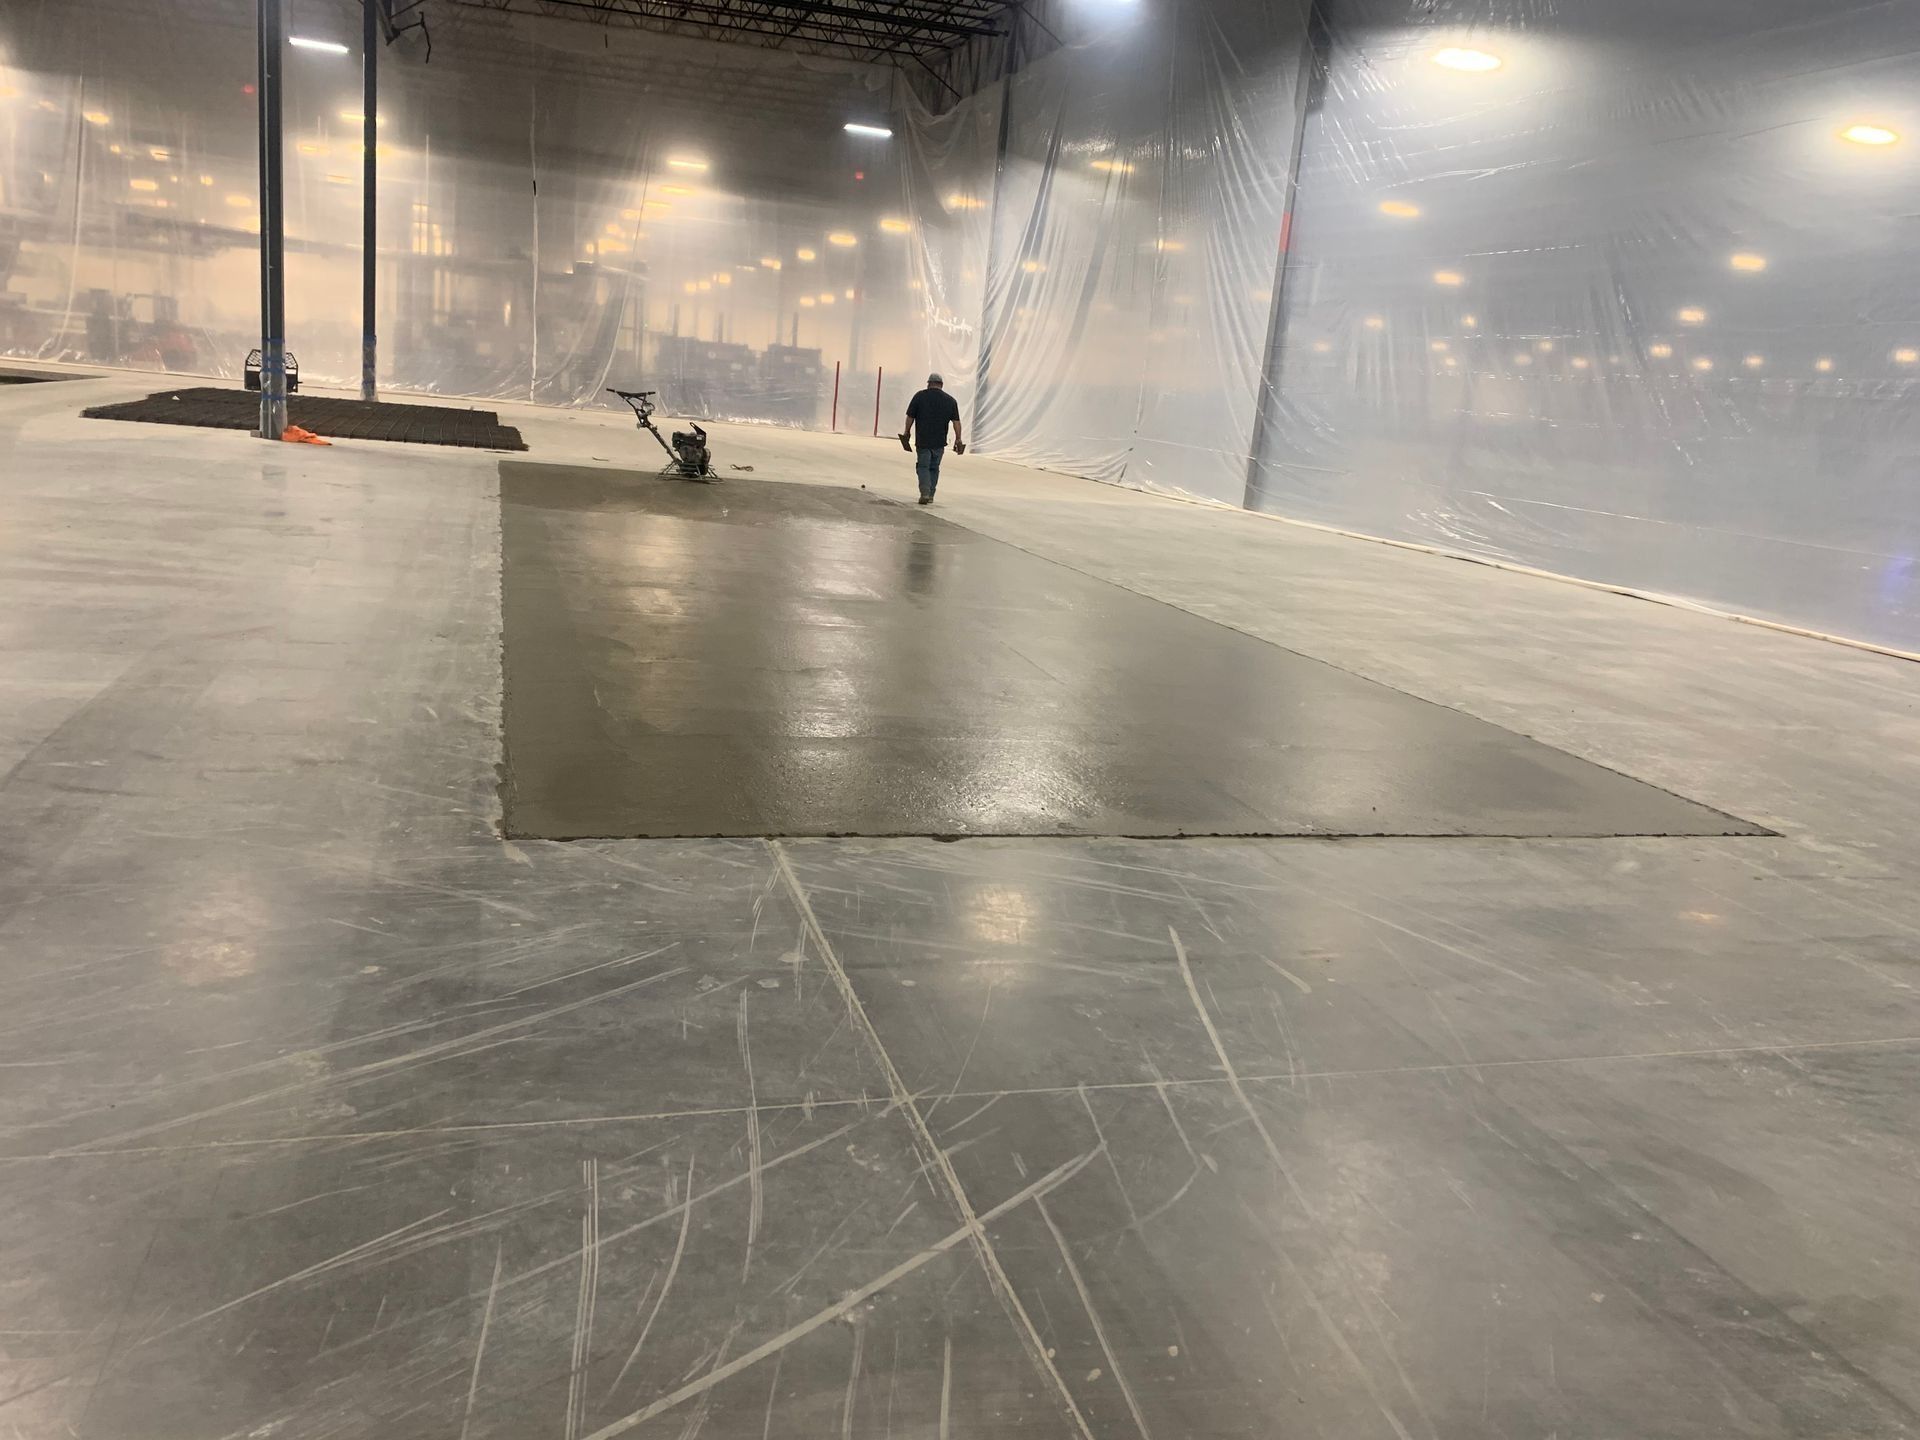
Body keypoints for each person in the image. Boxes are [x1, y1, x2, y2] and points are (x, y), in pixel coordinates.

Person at [899, 373, 964, 504]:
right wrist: (958, 439)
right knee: (934, 467)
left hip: (923, 440)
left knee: (923, 467)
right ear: (942, 385)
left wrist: (907, 432)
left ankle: (925, 492)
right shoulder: (950, 400)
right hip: (939, 441)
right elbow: (956, 422)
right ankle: (931, 494)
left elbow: (910, 417)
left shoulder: (919, 396)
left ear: (929, 383)